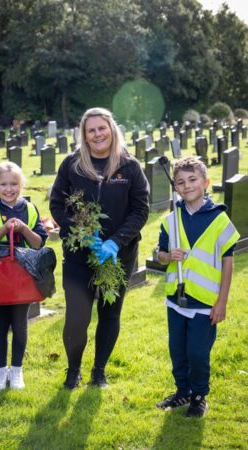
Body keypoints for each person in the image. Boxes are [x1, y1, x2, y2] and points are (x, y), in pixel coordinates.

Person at [49, 107, 149, 389]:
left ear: (111, 129)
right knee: (77, 318)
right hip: (80, 256)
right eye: (91, 130)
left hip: (117, 258)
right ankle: (73, 370)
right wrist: (79, 231)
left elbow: (140, 210)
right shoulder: (72, 164)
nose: (97, 134)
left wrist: (115, 242)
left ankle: (99, 371)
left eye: (101, 128)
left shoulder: (130, 167)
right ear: (84, 135)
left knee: (109, 314)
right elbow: (57, 204)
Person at [156, 156, 240, 417]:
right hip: (176, 300)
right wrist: (169, 257)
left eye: (193, 180)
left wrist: (222, 302)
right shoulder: (171, 219)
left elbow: (228, 262)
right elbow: (159, 253)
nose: (186, 185)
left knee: (197, 353)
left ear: (206, 183)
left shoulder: (219, 219)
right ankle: (183, 392)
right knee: (177, 351)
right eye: (180, 182)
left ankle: (199, 395)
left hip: (205, 302)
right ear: (176, 187)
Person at [0, 161, 48, 391]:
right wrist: (5, 228)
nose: (9, 189)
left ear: (22, 184)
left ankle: (16, 370)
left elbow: (38, 243)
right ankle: (0, 370)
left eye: (14, 183)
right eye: (4, 184)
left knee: (20, 323)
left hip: (23, 274)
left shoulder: (28, 208)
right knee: (0, 323)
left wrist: (23, 229)